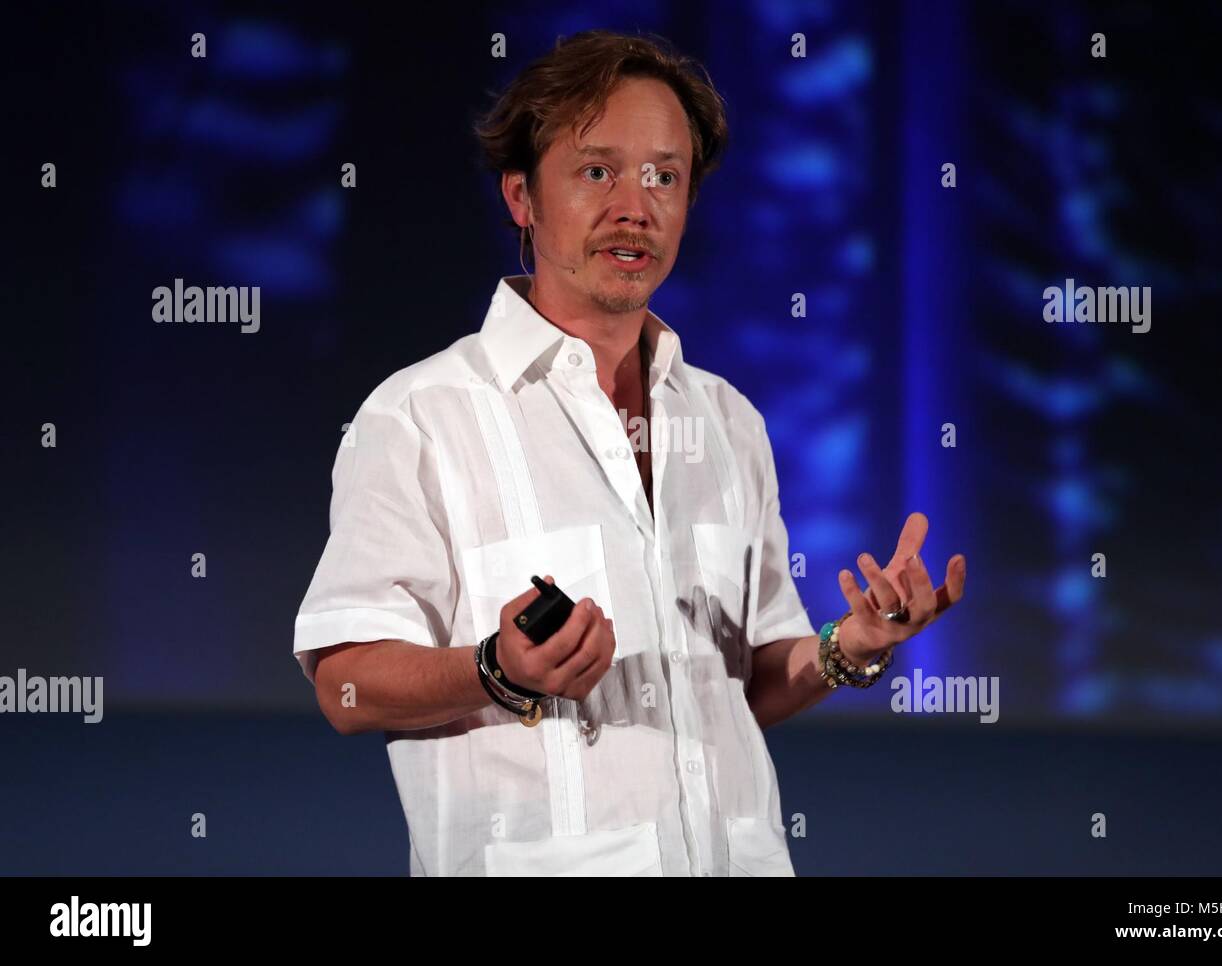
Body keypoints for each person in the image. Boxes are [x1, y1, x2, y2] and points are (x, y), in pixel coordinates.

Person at [293, 29, 966, 876]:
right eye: (597, 170)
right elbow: (345, 687)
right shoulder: (419, 417)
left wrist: (853, 644)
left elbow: (741, 685)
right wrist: (498, 670)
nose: (634, 207)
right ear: (521, 198)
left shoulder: (728, 420)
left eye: (664, 176)